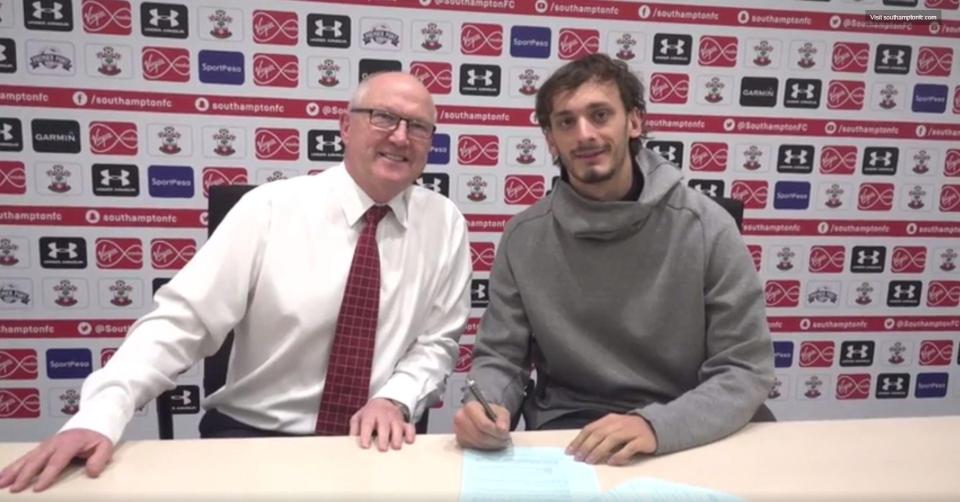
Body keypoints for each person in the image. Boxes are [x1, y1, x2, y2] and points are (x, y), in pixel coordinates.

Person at [1, 72, 471, 492]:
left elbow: (436, 342)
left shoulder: (444, 223)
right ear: (346, 127)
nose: (401, 137)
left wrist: (395, 398)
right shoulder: (270, 210)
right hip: (253, 436)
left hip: (374, 442)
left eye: (419, 127)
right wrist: (100, 416)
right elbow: (180, 322)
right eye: (384, 118)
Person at [453, 54, 774, 465]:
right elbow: (501, 358)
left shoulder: (707, 225)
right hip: (572, 427)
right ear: (551, 139)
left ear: (635, 123)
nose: (584, 134)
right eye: (566, 122)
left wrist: (656, 426)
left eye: (600, 114)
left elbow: (746, 368)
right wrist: (486, 404)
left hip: (689, 420)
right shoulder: (523, 237)